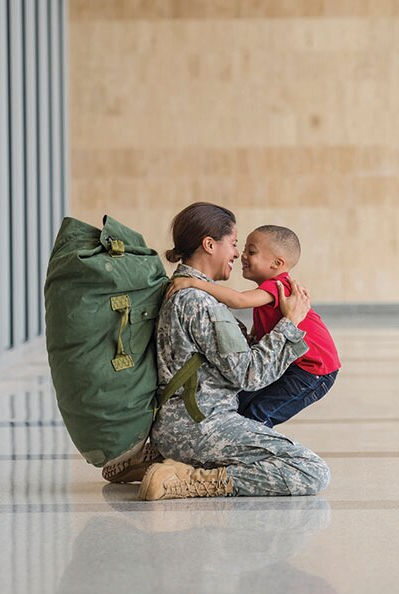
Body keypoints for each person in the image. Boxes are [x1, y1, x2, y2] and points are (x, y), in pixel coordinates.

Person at [136, 202, 331, 501]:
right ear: (209, 244)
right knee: (310, 470)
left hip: (184, 423)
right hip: (201, 426)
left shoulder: (183, 290)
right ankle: (192, 479)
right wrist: (291, 323)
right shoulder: (198, 301)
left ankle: (158, 461)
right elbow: (250, 376)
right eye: (235, 243)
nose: (238, 254)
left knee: (258, 424)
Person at [167, 224, 340, 428]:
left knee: (259, 414)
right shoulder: (269, 290)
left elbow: (238, 300)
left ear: (277, 263)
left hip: (314, 370)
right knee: (242, 404)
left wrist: (195, 283)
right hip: (296, 365)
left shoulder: (277, 286)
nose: (243, 256)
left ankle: (251, 445)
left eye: (252, 252)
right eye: (244, 249)